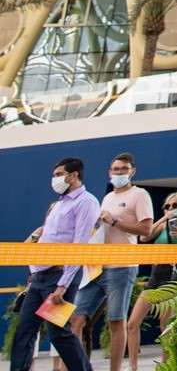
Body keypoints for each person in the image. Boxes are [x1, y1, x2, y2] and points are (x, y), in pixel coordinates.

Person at [10, 158, 100, 371]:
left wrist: (62, 286)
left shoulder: (86, 202)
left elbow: (79, 245)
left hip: (59, 278)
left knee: (58, 333)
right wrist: (33, 273)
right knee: (24, 331)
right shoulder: (60, 204)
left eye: (59, 174)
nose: (55, 179)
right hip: (39, 279)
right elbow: (46, 239)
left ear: (74, 175)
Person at [73, 153, 152, 371]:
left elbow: (146, 231)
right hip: (96, 267)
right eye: (115, 169)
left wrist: (115, 220)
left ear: (132, 171)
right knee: (75, 321)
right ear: (109, 172)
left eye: (123, 169)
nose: (119, 173)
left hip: (122, 267)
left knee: (116, 321)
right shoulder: (107, 198)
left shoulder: (140, 194)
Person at [125, 192, 177, 371]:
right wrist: (163, 218)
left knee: (165, 326)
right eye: (168, 206)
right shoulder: (164, 225)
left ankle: (167, 365)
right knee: (132, 322)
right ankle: (132, 366)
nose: (171, 209)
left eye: (175, 205)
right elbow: (144, 237)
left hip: (172, 277)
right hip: (155, 276)